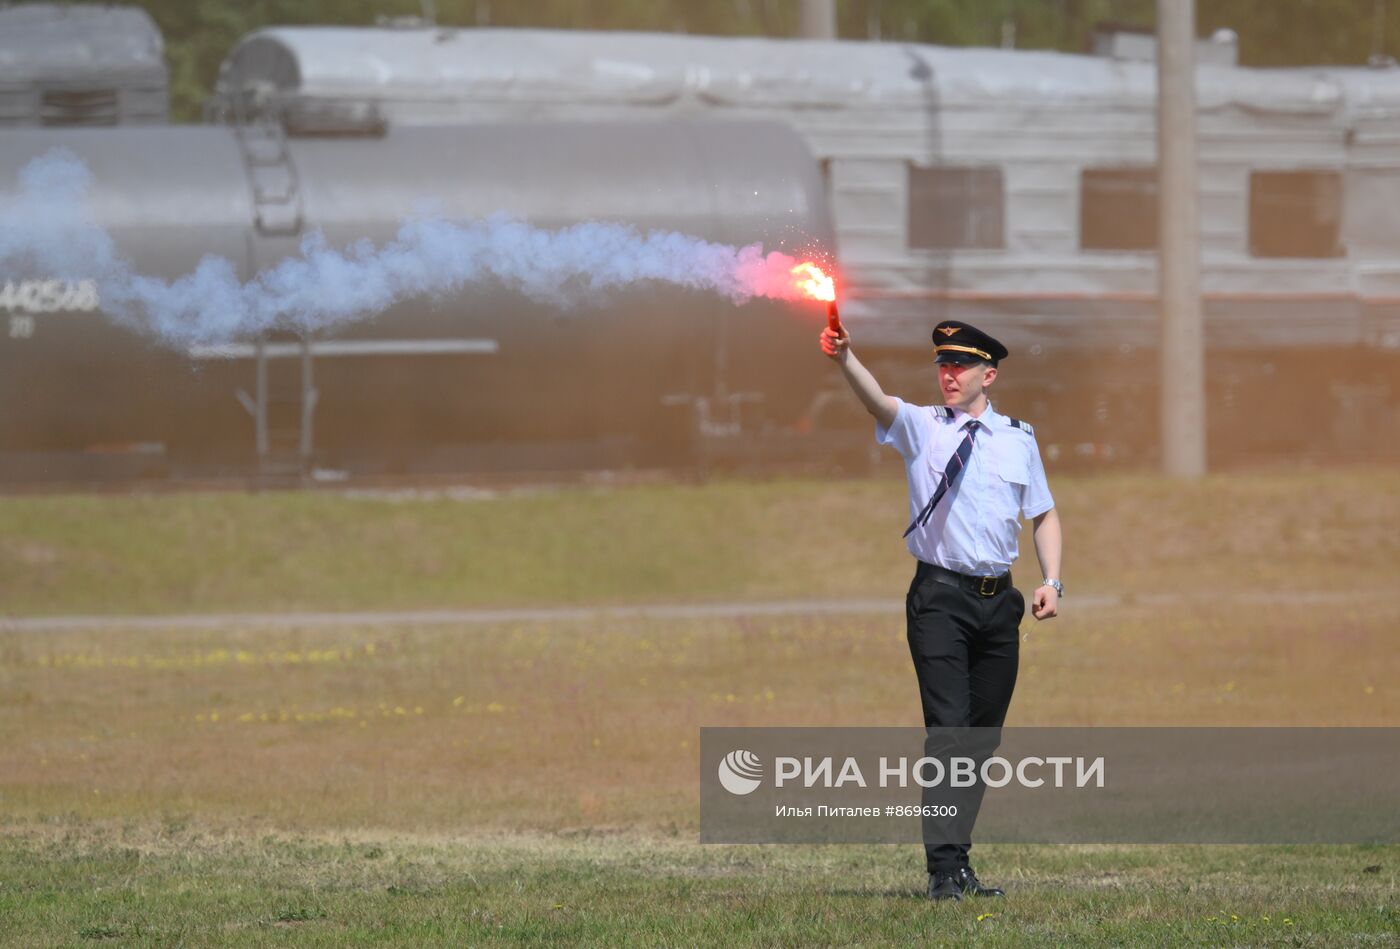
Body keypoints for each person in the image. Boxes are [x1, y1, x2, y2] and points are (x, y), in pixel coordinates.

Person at [820, 315, 1063, 902]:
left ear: (989, 373)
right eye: (942, 365)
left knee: (982, 741)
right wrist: (846, 358)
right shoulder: (924, 427)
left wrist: (1053, 580)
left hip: (997, 603)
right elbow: (879, 403)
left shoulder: (1018, 438)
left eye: (959, 366)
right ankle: (944, 870)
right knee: (949, 733)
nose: (947, 375)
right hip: (940, 601)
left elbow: (1045, 514)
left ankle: (960, 862)